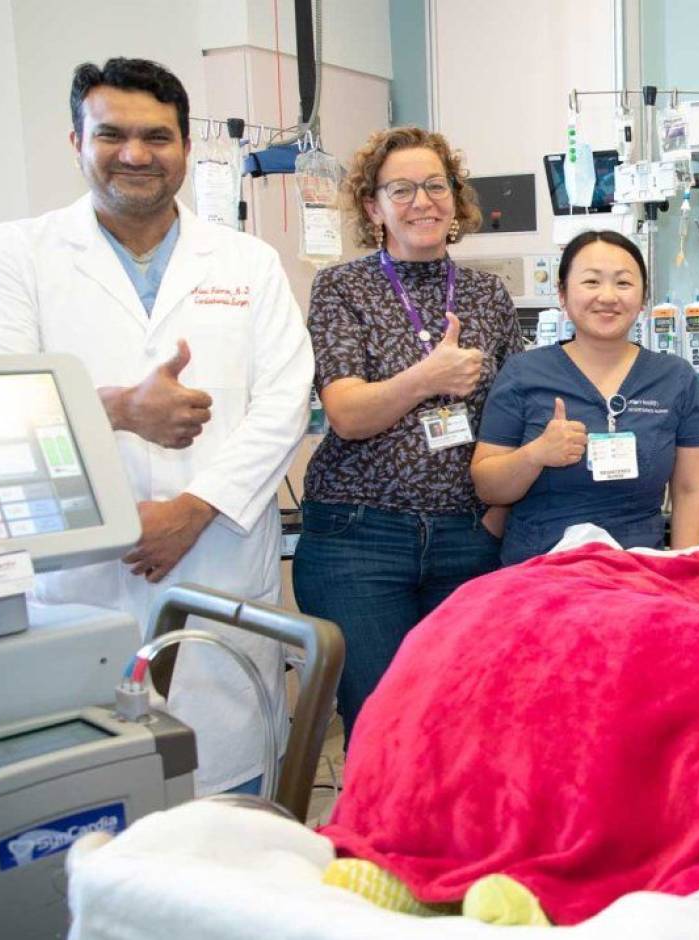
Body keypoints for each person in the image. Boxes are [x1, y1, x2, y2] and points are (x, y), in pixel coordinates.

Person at [0, 58, 313, 795]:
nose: (135, 154)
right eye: (112, 134)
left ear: (186, 148)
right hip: (81, 574)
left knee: (227, 797)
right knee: (83, 805)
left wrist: (192, 512)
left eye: (156, 136)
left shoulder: (247, 263)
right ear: (75, 140)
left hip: (218, 557)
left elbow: (286, 400)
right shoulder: (13, 255)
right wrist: (117, 410)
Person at [290, 126, 524, 740]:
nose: (422, 202)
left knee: (464, 719)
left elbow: (512, 413)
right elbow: (347, 413)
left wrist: (492, 520)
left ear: (455, 198)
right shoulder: (342, 288)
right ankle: (373, 839)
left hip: (466, 539)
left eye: (435, 186)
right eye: (401, 189)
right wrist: (429, 376)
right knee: (379, 722)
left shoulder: (487, 294)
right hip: (360, 540)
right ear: (373, 207)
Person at [472, 230, 699, 560]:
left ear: (643, 299)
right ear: (562, 294)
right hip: (540, 571)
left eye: (624, 283)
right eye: (591, 282)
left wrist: (684, 574)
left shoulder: (675, 378)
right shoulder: (522, 373)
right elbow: (487, 486)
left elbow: (690, 490)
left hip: (637, 572)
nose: (608, 296)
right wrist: (535, 455)